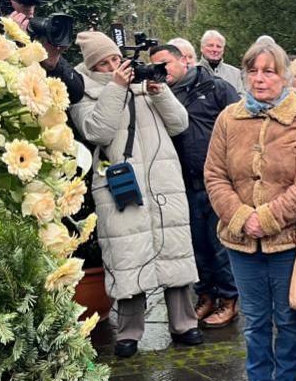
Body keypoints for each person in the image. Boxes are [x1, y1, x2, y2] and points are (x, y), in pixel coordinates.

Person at [204, 41, 296, 381]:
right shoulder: (228, 119)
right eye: (254, 70)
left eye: (269, 71)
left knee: (287, 319)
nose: (260, 78)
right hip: (240, 242)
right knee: (254, 321)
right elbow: (215, 175)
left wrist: (268, 218)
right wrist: (240, 216)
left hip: (289, 241)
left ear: (284, 75)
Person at [69, 32, 202, 359]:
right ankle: (129, 332)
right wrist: (116, 87)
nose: (115, 65)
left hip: (162, 180)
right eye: (105, 62)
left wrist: (160, 93)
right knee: (127, 255)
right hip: (120, 185)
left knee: (174, 250)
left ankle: (184, 323)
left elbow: (180, 124)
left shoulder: (144, 83)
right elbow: (97, 131)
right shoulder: (83, 91)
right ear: (92, 65)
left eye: (116, 59)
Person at [149, 44, 242, 329]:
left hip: (217, 181)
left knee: (219, 245)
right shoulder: (162, 94)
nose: (160, 72)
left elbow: (239, 128)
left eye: (165, 64)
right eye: (155, 66)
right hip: (183, 183)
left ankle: (229, 300)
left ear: (184, 61)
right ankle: (205, 295)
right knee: (195, 245)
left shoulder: (216, 87)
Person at [0, 0, 85, 106]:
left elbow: (76, 93)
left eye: (35, 2)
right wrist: (12, 44)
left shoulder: (34, 39)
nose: (31, 10)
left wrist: (52, 65)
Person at [199, 30, 244, 95]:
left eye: (218, 46)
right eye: (210, 45)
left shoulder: (235, 73)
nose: (214, 49)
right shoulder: (192, 72)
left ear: (223, 50)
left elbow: (242, 99)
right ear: (201, 48)